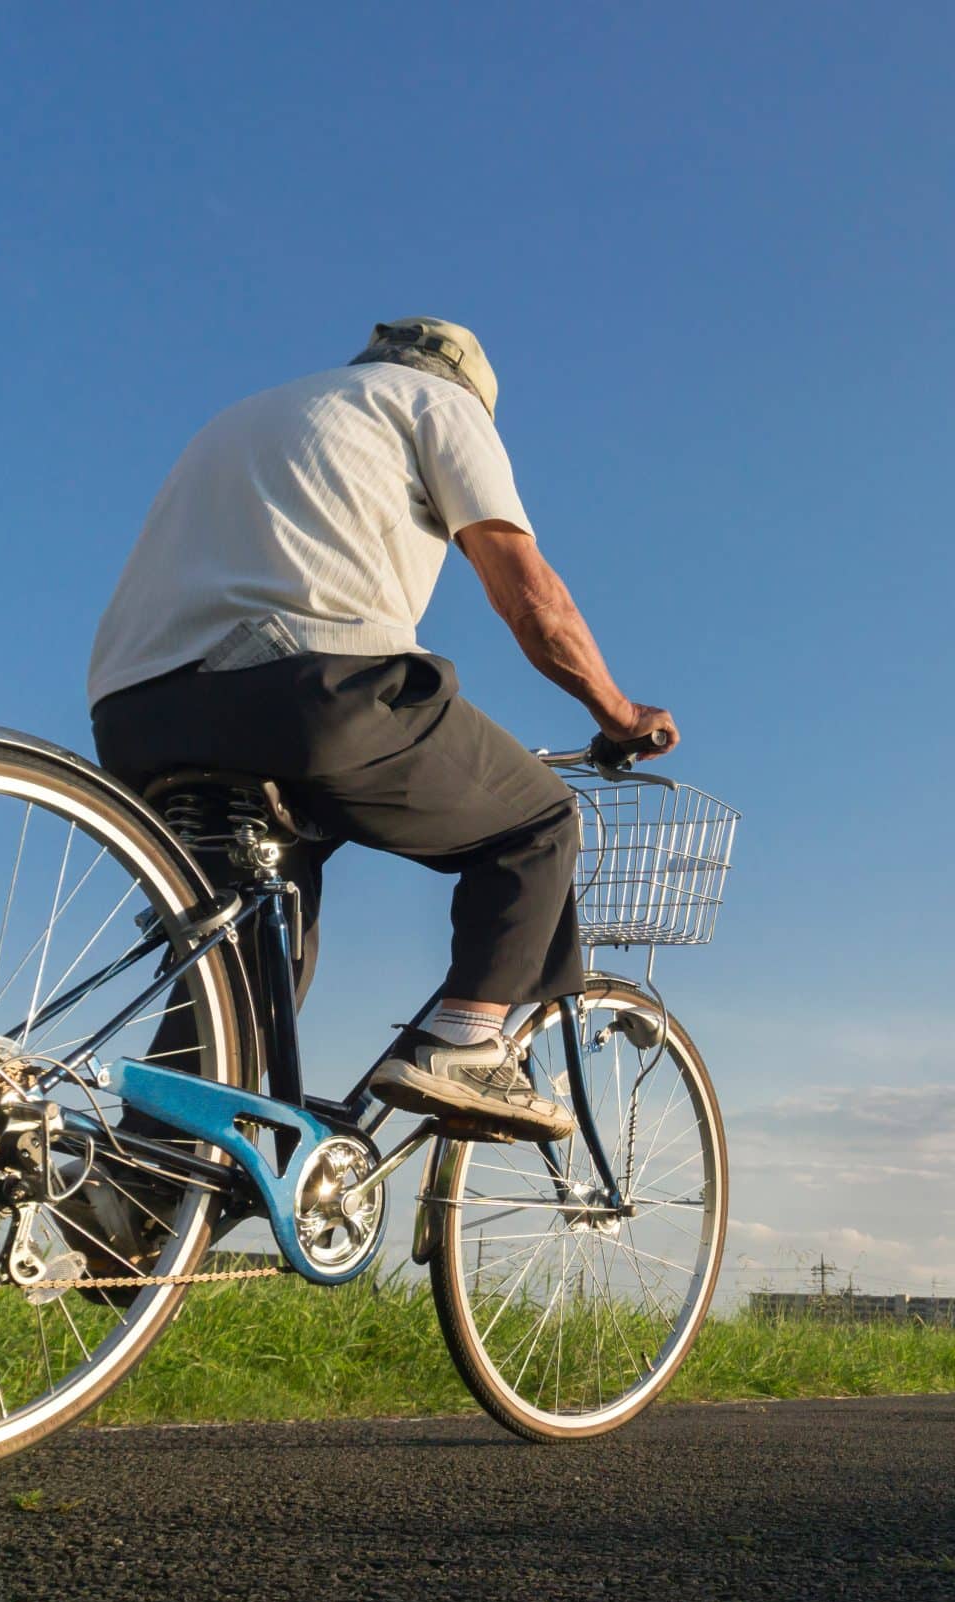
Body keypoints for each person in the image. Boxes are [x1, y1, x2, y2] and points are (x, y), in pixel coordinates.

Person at [86, 317, 675, 1142]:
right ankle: (467, 1041)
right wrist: (616, 712)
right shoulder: (439, 405)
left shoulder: (257, 414)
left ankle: (142, 1191)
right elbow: (529, 595)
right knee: (538, 821)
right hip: (300, 690)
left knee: (252, 964)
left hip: (135, 716)